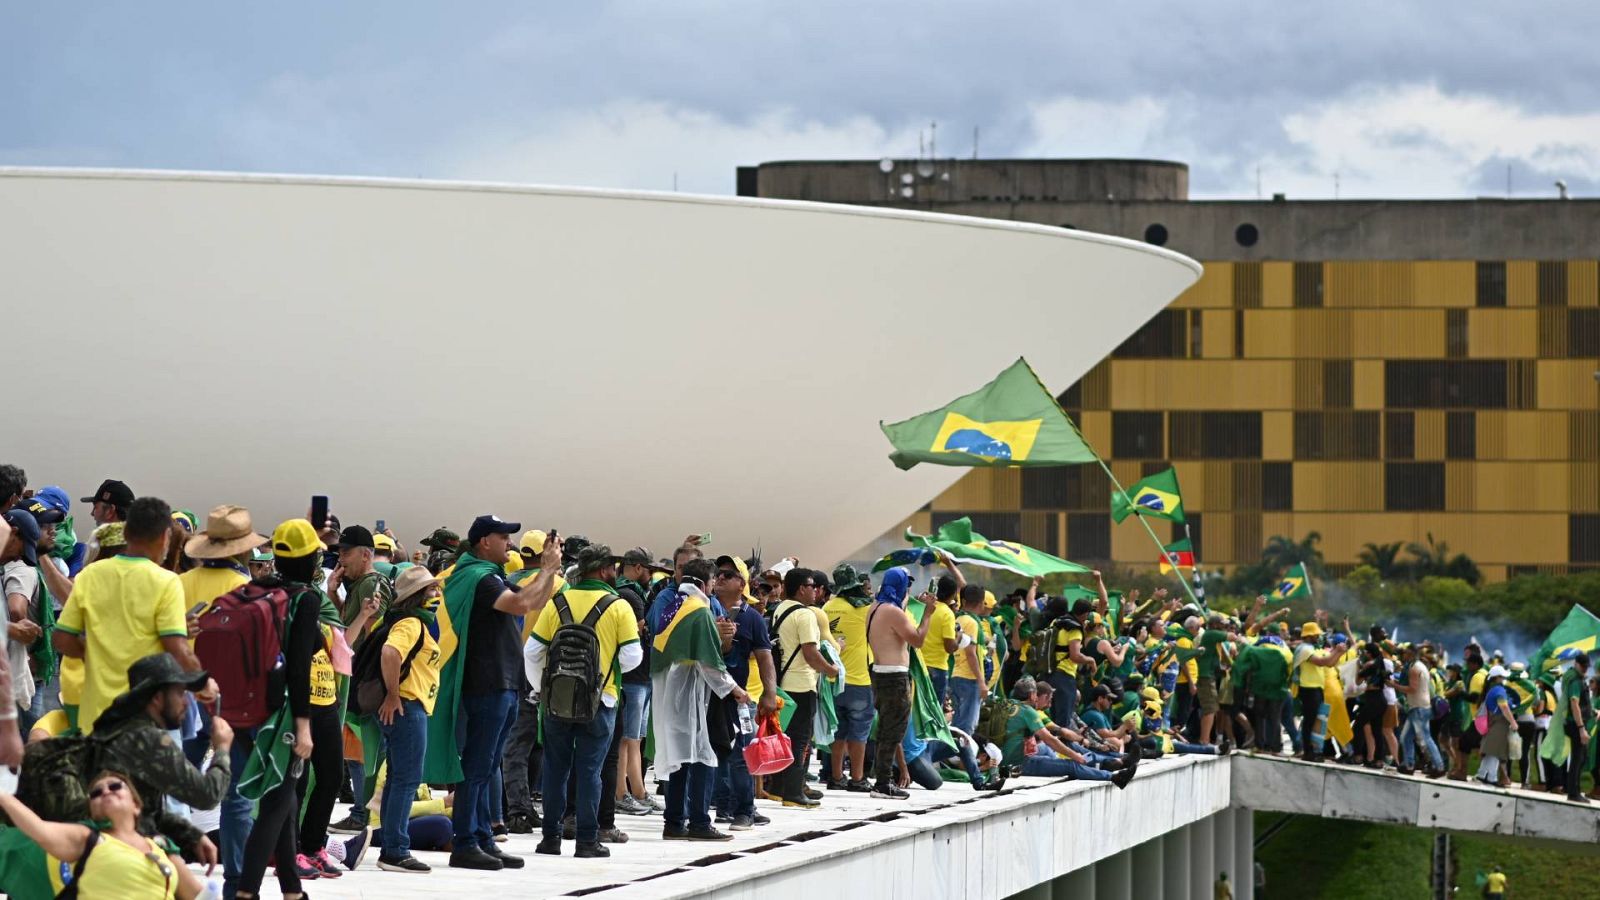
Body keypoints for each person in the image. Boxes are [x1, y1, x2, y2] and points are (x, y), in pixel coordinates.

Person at [428, 515, 562, 870]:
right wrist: (547, 569)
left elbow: (534, 601)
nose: (510, 543)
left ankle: (484, 838)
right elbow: (521, 604)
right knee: (476, 766)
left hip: (501, 682)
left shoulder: (490, 577)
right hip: (485, 684)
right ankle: (466, 841)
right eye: (504, 537)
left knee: (487, 766)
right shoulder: (479, 578)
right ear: (484, 541)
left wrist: (550, 570)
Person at [53, 496, 210, 734]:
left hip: (95, 719)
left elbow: (61, 640)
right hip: (143, 723)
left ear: (126, 535)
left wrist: (95, 652)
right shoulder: (165, 581)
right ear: (165, 537)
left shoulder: (90, 575)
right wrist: (203, 683)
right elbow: (178, 647)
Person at [526, 543, 642, 858]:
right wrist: (607, 673)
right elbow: (632, 656)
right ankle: (587, 841)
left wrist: (542, 689)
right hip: (600, 703)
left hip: (556, 702)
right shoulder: (618, 607)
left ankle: (550, 838)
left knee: (555, 770)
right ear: (603, 570)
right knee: (590, 771)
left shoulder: (557, 602)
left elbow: (532, 652)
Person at [88, 654, 232, 866]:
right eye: (180, 694)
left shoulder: (118, 727)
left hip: (109, 842)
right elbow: (207, 795)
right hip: (119, 853)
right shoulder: (149, 739)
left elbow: (148, 811)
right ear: (157, 698)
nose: (186, 702)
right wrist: (222, 748)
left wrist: (190, 833)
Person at [649, 557, 747, 841]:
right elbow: (709, 663)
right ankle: (700, 822)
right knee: (703, 754)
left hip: (668, 690)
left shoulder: (673, 606)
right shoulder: (699, 611)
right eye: (715, 580)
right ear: (706, 582)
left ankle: (675, 822)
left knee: (680, 757)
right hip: (687, 692)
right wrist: (734, 690)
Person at [0, 769, 206, 899]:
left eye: (115, 786)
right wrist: (3, 797)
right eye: (96, 793)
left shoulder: (160, 847)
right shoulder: (88, 839)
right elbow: (40, 830)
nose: (106, 791)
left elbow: (198, 896)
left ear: (136, 804)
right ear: (93, 811)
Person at [374, 567, 445, 873]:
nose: (436, 595)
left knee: (398, 779)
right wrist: (393, 694)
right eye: (430, 591)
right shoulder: (412, 623)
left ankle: (392, 845)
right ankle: (396, 850)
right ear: (416, 596)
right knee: (407, 779)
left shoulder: (412, 623)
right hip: (407, 706)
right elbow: (391, 653)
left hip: (407, 706)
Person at [709, 555, 776, 829]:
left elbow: (764, 658)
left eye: (728, 575)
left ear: (741, 583)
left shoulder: (752, 618)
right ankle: (722, 806)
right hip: (707, 695)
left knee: (741, 754)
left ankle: (744, 810)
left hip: (739, 698)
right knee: (713, 754)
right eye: (719, 574)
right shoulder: (706, 610)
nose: (720, 578)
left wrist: (770, 694)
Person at [769, 567, 837, 808]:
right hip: (802, 684)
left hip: (784, 683)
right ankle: (793, 793)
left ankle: (777, 787)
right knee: (800, 740)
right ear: (801, 589)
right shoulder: (806, 615)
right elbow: (811, 653)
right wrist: (831, 670)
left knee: (784, 737)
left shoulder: (781, 609)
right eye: (812, 586)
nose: (816, 591)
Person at [863, 567, 931, 799]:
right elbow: (918, 640)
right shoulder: (893, 612)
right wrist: (928, 613)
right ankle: (883, 783)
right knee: (893, 731)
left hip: (880, 673)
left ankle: (881, 778)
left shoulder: (875, 608)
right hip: (895, 676)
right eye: (906, 585)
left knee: (885, 729)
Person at [612, 547, 658, 817]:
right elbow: (637, 636)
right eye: (649, 569)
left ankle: (638, 791)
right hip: (633, 677)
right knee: (627, 739)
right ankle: (621, 792)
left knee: (634, 739)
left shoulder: (627, 592)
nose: (651, 575)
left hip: (639, 677)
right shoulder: (631, 596)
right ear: (638, 568)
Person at [822, 562, 875, 791]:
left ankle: (835, 777)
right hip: (859, 680)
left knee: (838, 732)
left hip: (832, 680)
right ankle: (857, 778)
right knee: (859, 732)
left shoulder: (827, 607)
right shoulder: (864, 609)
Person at [1291, 622, 1341, 761]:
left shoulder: (1310, 647)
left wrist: (1339, 652)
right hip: (1309, 689)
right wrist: (1336, 651)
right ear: (1309, 635)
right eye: (1316, 635)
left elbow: (1330, 663)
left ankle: (1313, 750)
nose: (1318, 637)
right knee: (1309, 721)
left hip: (1316, 689)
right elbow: (1321, 662)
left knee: (1314, 722)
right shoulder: (1305, 649)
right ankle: (1307, 752)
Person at [1398, 644, 1446, 777]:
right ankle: (1409, 765)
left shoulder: (1414, 668)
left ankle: (1439, 766)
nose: (1403, 656)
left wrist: (1395, 685)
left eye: (1406, 653)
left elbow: (1412, 689)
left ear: (1411, 654)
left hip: (1419, 708)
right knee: (1406, 737)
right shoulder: (1421, 666)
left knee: (1426, 738)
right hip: (1418, 707)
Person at [951, 585, 991, 734]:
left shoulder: (958, 618)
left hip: (955, 675)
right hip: (968, 677)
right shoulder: (972, 623)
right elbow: (970, 653)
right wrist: (981, 682)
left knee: (957, 722)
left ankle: (953, 755)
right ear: (981, 603)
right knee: (967, 726)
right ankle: (962, 756)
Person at [915, 573, 961, 704]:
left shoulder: (925, 607)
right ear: (952, 594)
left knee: (920, 708)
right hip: (937, 668)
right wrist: (958, 637)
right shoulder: (947, 613)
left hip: (919, 665)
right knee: (934, 710)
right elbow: (949, 647)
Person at [1560, 651, 1592, 802]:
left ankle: (1574, 789)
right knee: (1577, 758)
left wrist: (1593, 711)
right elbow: (1574, 703)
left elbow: (1582, 704)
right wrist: (1581, 729)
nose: (1585, 669)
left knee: (1582, 757)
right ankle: (1573, 793)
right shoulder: (1575, 682)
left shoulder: (1576, 678)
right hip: (1576, 724)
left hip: (1576, 722)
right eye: (1583, 666)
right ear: (1576, 664)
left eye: (1587, 666)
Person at [1476, 665, 1516, 786]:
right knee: (1496, 750)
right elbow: (1504, 707)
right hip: (1499, 722)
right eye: (1502, 676)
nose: (1504, 678)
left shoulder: (1491, 689)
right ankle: (1492, 777)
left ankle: (1482, 774)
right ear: (1497, 678)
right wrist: (1513, 722)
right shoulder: (1499, 690)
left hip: (1493, 721)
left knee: (1490, 750)